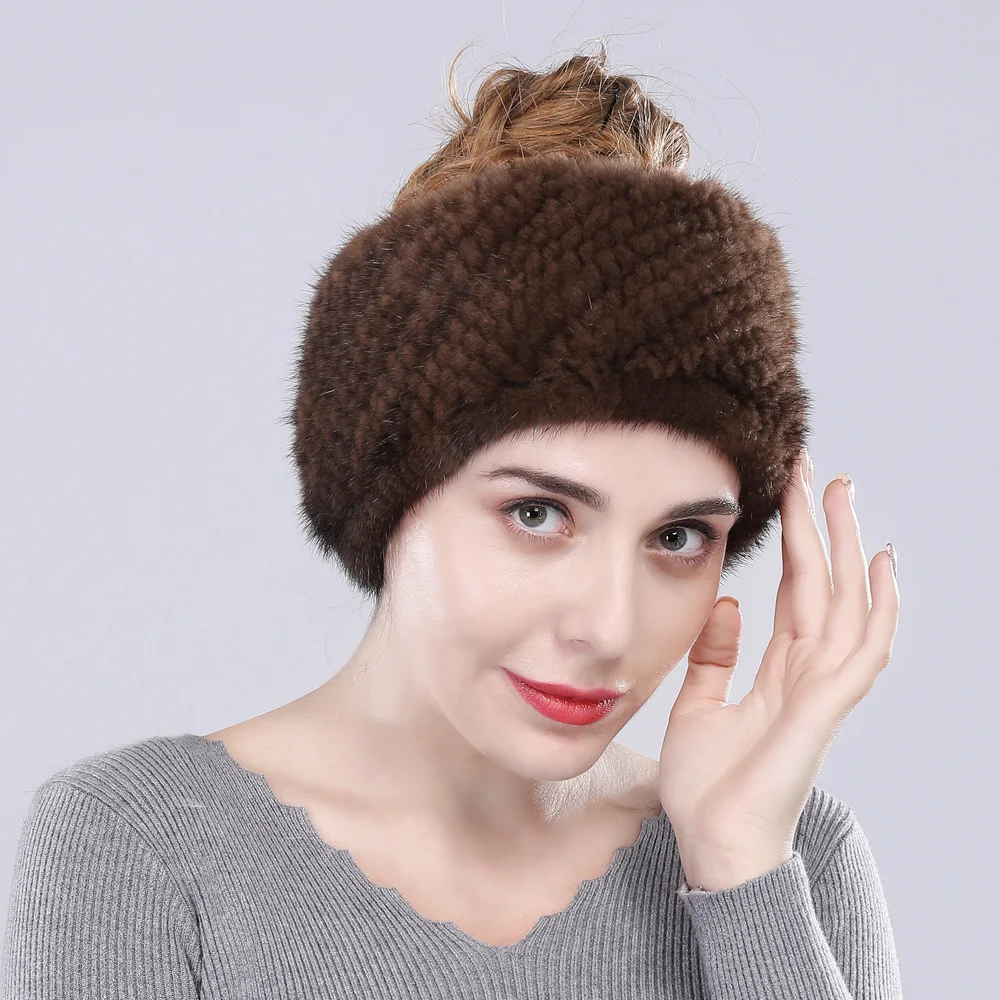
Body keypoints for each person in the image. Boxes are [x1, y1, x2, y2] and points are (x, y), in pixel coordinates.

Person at [1, 45, 904, 998]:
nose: (610, 628)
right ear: (387, 484)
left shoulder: (787, 856)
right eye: (538, 513)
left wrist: (742, 874)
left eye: (679, 538)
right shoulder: (145, 850)